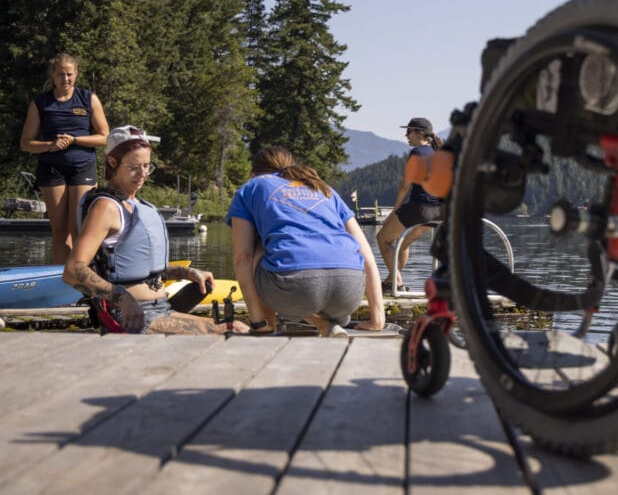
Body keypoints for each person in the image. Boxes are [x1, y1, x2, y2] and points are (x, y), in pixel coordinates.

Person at [62, 125, 243, 334]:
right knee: (235, 330)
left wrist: (187, 272)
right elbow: (73, 271)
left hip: (162, 309)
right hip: (131, 316)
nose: (142, 174)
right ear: (112, 162)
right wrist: (122, 299)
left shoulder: (139, 204)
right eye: (134, 167)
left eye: (147, 166)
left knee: (238, 328)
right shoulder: (106, 207)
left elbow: (138, 268)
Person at [226, 146, 385, 336]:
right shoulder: (322, 188)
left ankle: (265, 325)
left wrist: (255, 320)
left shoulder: (251, 187)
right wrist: (378, 317)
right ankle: (325, 323)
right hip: (349, 291)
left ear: (254, 173)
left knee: (258, 247)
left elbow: (242, 257)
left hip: (294, 289)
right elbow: (365, 252)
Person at [20, 53, 110, 263]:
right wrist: (51, 145)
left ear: (76, 74)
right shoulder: (40, 102)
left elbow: (105, 138)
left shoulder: (88, 98)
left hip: (82, 167)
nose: (65, 79)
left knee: (79, 227)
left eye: (70, 74)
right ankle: (63, 279)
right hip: (52, 170)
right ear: (53, 75)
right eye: (61, 74)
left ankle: (85, 277)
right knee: (60, 231)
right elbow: (26, 144)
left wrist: (75, 139)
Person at [376, 117, 444, 291]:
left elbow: (405, 186)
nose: (406, 135)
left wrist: (394, 211)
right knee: (403, 244)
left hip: (420, 208)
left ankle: (396, 282)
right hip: (438, 212)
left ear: (419, 133)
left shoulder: (418, 152)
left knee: (382, 239)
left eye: (409, 131)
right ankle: (392, 280)